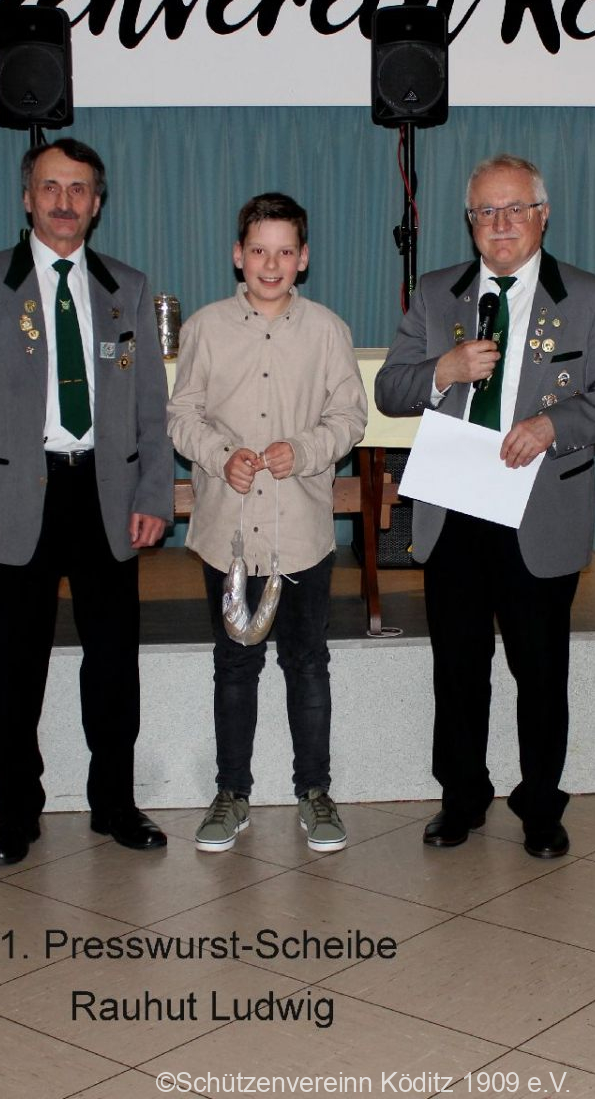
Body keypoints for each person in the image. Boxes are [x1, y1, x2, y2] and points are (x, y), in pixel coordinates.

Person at [375, 154, 595, 858]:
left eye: (514, 208)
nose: (500, 224)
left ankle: (541, 805)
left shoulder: (591, 295)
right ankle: (461, 798)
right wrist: (442, 370)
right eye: (485, 212)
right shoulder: (436, 293)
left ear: (542, 215)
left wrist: (555, 425)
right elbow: (391, 391)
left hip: (539, 510)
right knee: (458, 668)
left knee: (540, 669)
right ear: (469, 222)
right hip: (454, 509)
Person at [0, 138, 172, 864]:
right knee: (16, 667)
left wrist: (154, 491)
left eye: (78, 189)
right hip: (12, 496)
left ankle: (115, 804)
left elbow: (150, 406)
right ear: (26, 198)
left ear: (97, 203)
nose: (64, 202)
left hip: (106, 494)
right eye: (50, 187)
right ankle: (16, 813)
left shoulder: (127, 287)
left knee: (113, 664)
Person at [167, 193, 368, 853]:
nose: (271, 264)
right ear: (238, 255)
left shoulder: (328, 331)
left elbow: (349, 417)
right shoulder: (205, 328)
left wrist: (304, 451)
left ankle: (315, 792)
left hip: (301, 533)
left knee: (307, 663)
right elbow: (182, 415)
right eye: (259, 250)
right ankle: (232, 793)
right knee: (234, 665)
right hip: (227, 533)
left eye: (285, 251)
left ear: (303, 258)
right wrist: (220, 455)